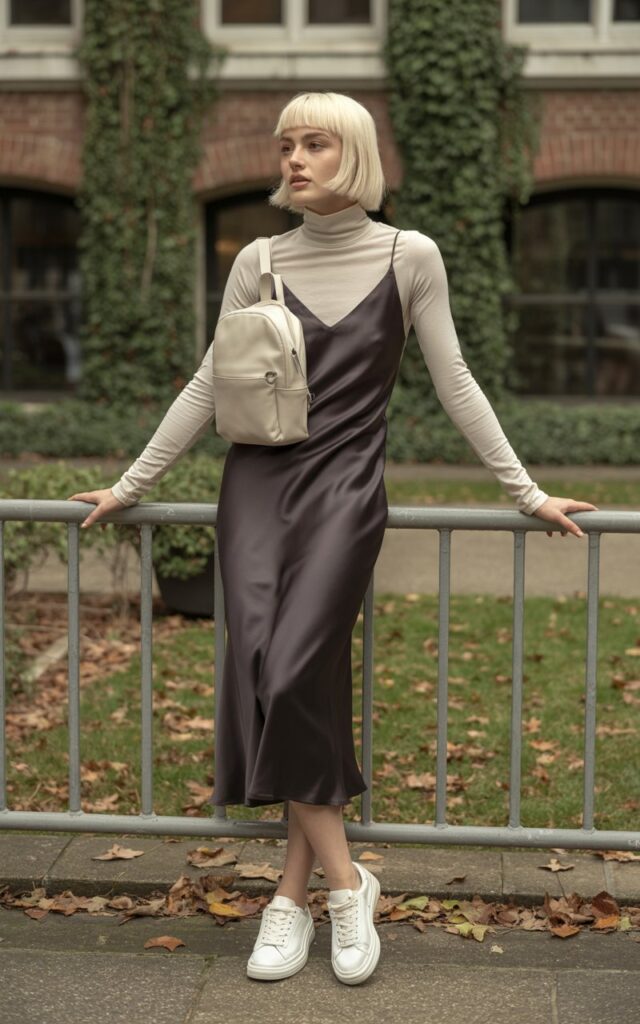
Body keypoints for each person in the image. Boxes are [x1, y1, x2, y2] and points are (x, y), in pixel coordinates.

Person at [68, 91, 597, 986]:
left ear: (353, 154)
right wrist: (132, 483)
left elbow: (456, 381)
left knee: (289, 672)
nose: (294, 160)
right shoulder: (259, 261)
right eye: (286, 147)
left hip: (346, 494)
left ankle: (331, 890)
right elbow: (208, 383)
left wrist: (527, 490)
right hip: (255, 489)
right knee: (275, 679)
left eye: (314, 144)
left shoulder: (409, 255)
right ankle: (308, 892)